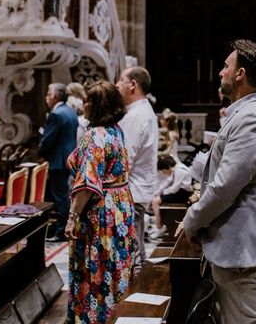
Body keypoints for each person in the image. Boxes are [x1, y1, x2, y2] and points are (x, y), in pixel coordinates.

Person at [183, 39, 256, 324]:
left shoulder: (254, 118)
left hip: (241, 247)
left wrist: (192, 219)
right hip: (234, 244)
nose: (220, 72)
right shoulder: (244, 113)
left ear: (241, 74)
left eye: (226, 66)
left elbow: (225, 186)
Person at [65, 81, 136, 324]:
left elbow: (87, 184)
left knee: (93, 268)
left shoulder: (94, 136)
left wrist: (72, 217)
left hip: (100, 212)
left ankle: (92, 318)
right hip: (120, 206)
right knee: (114, 264)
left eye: (87, 100)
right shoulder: (116, 130)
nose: (83, 105)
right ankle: (114, 315)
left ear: (97, 106)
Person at [116, 66, 158, 270]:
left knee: (131, 251)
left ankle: (134, 296)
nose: (117, 84)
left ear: (133, 85)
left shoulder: (135, 116)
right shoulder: (142, 110)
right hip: (138, 190)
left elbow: (125, 160)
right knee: (136, 247)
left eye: (121, 80)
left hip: (131, 191)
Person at [39, 82, 78, 242]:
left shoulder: (56, 114)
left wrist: (40, 152)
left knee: (60, 197)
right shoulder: (69, 111)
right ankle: (62, 227)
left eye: (48, 94)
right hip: (68, 158)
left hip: (58, 160)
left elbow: (47, 139)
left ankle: (61, 231)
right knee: (64, 195)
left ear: (55, 96)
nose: (47, 98)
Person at [149, 153, 193, 239]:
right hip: (179, 193)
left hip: (183, 194)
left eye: (164, 171)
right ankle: (160, 225)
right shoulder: (177, 168)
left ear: (168, 166)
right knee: (156, 200)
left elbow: (174, 189)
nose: (165, 173)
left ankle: (159, 227)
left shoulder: (180, 170)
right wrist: (158, 192)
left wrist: (162, 193)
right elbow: (168, 181)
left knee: (155, 202)